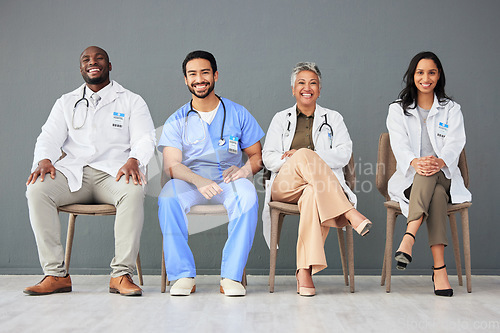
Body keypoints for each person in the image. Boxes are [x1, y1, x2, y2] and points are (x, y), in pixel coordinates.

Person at [24, 46, 155, 296]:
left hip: (115, 173)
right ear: (81, 67)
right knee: (37, 189)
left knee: (134, 190)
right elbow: (49, 137)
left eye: (99, 58)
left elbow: (145, 138)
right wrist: (44, 159)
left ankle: (121, 275)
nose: (92, 62)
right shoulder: (66, 101)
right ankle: (56, 274)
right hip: (75, 174)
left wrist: (134, 159)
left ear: (109, 65)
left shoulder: (131, 100)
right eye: (86, 59)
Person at [157, 50, 264, 297]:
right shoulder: (177, 119)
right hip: (189, 182)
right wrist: (199, 180)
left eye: (205, 72)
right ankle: (183, 276)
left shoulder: (238, 113)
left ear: (215, 75)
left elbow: (257, 157)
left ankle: (231, 276)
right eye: (192, 74)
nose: (199, 79)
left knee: (247, 196)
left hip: (228, 182)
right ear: (185, 79)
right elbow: (172, 165)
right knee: (167, 198)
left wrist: (245, 170)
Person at [262, 62, 372, 296]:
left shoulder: (334, 118)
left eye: (313, 83)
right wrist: (296, 159)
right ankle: (348, 212)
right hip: (286, 185)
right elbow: (269, 158)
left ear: (319, 90)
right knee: (302, 155)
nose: (307, 87)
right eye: (301, 83)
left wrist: (312, 156)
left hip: (318, 187)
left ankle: (304, 272)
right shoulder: (281, 119)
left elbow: (344, 154)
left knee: (313, 193)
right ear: (293, 89)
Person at [387, 51, 471, 297]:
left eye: (431, 72)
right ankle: (440, 270)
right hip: (411, 177)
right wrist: (415, 162)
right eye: (420, 72)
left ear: (439, 75)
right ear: (412, 76)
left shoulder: (451, 109)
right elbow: (398, 144)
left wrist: (440, 160)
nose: (426, 78)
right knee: (433, 193)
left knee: (431, 174)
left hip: (444, 173)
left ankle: (408, 236)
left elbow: (455, 143)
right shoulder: (397, 110)